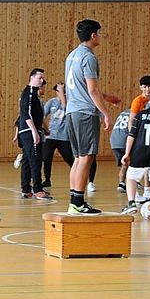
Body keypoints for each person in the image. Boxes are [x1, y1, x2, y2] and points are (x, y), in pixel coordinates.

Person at [63, 19, 121, 214]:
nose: (101, 36)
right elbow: (92, 90)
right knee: (87, 157)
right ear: (94, 35)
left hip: (71, 111)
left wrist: (106, 97)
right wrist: (106, 113)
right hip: (85, 113)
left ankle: (74, 201)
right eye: (100, 32)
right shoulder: (89, 57)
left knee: (79, 157)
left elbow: (80, 88)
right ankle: (78, 202)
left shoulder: (72, 56)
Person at [121, 91, 150, 220]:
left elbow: (132, 135)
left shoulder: (141, 115)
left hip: (139, 151)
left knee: (131, 177)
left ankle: (131, 203)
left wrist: (127, 153)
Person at [15, 68, 52, 199]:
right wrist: (34, 131)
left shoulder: (32, 94)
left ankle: (26, 189)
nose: (42, 81)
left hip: (29, 130)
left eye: (43, 78)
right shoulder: (29, 93)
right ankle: (37, 189)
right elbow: (26, 114)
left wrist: (43, 128)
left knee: (26, 159)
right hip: (30, 131)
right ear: (32, 78)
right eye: (39, 78)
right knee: (35, 159)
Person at [41, 81, 74, 188]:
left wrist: (62, 92)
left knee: (69, 158)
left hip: (64, 137)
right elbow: (42, 115)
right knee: (47, 158)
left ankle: (78, 175)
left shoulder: (70, 102)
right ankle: (47, 179)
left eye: (64, 91)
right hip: (51, 136)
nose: (62, 93)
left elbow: (65, 106)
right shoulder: (52, 102)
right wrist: (45, 129)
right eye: (60, 91)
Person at [108, 107, 132, 191]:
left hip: (114, 141)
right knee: (128, 162)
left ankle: (123, 181)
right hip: (124, 140)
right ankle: (124, 183)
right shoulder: (134, 113)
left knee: (124, 164)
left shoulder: (124, 112)